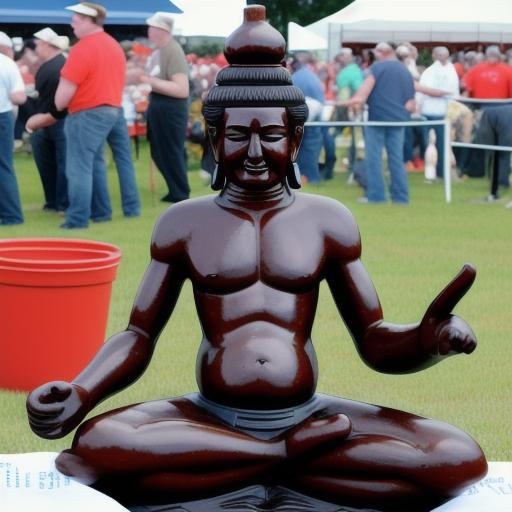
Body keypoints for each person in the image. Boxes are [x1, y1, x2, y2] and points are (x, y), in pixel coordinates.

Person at [27, 8, 486, 512]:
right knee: (100, 442)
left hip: (308, 414)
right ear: (214, 138)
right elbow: (139, 335)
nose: (253, 152)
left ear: (294, 139)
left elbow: (374, 340)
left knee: (453, 456)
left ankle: (232, 469)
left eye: (269, 136)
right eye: (236, 136)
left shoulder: (327, 221)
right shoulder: (184, 223)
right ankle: (279, 458)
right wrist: (82, 390)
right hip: (210, 416)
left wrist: (427, 340)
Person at [54, 2, 126, 228]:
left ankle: (77, 219)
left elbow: (64, 94)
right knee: (94, 163)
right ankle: (101, 212)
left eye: (76, 19)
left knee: (78, 167)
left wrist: (58, 105)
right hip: (111, 110)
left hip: (85, 112)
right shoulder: (114, 45)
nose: (72, 23)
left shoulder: (82, 48)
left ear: (88, 20)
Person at [348, 42, 415, 203]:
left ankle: (376, 196)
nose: (375, 55)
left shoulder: (377, 68)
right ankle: (401, 197)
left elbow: (363, 93)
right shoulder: (405, 70)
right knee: (396, 159)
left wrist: (351, 101)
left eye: (377, 51)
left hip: (377, 119)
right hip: (398, 120)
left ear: (384, 52)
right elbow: (410, 103)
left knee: (374, 159)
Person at [142, 12, 190, 203]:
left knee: (170, 151)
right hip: (161, 104)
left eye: (152, 27)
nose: (149, 31)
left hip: (170, 107)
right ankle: (176, 189)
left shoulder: (172, 51)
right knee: (161, 150)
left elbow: (182, 89)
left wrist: (148, 80)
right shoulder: (161, 51)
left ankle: (180, 192)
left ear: (162, 30)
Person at [27, 28, 70, 213]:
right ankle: (59, 202)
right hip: (56, 118)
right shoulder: (61, 63)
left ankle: (57, 202)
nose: (36, 47)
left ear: (45, 44)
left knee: (54, 164)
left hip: (54, 118)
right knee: (59, 163)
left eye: (37, 44)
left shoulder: (51, 66)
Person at [419, 46, 460, 178]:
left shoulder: (434, 71)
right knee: (436, 144)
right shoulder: (447, 71)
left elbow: (422, 91)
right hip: (434, 111)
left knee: (436, 144)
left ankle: (436, 171)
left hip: (439, 112)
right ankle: (434, 171)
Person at [0, 31, 26, 226]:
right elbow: (19, 97)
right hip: (3, 115)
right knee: (4, 165)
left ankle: (11, 214)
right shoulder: (8, 63)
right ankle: (12, 214)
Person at [290, 52, 325, 184]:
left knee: (302, 148)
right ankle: (311, 177)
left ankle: (305, 177)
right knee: (311, 149)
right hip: (313, 117)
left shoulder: (296, 77)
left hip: (303, 117)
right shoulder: (310, 76)